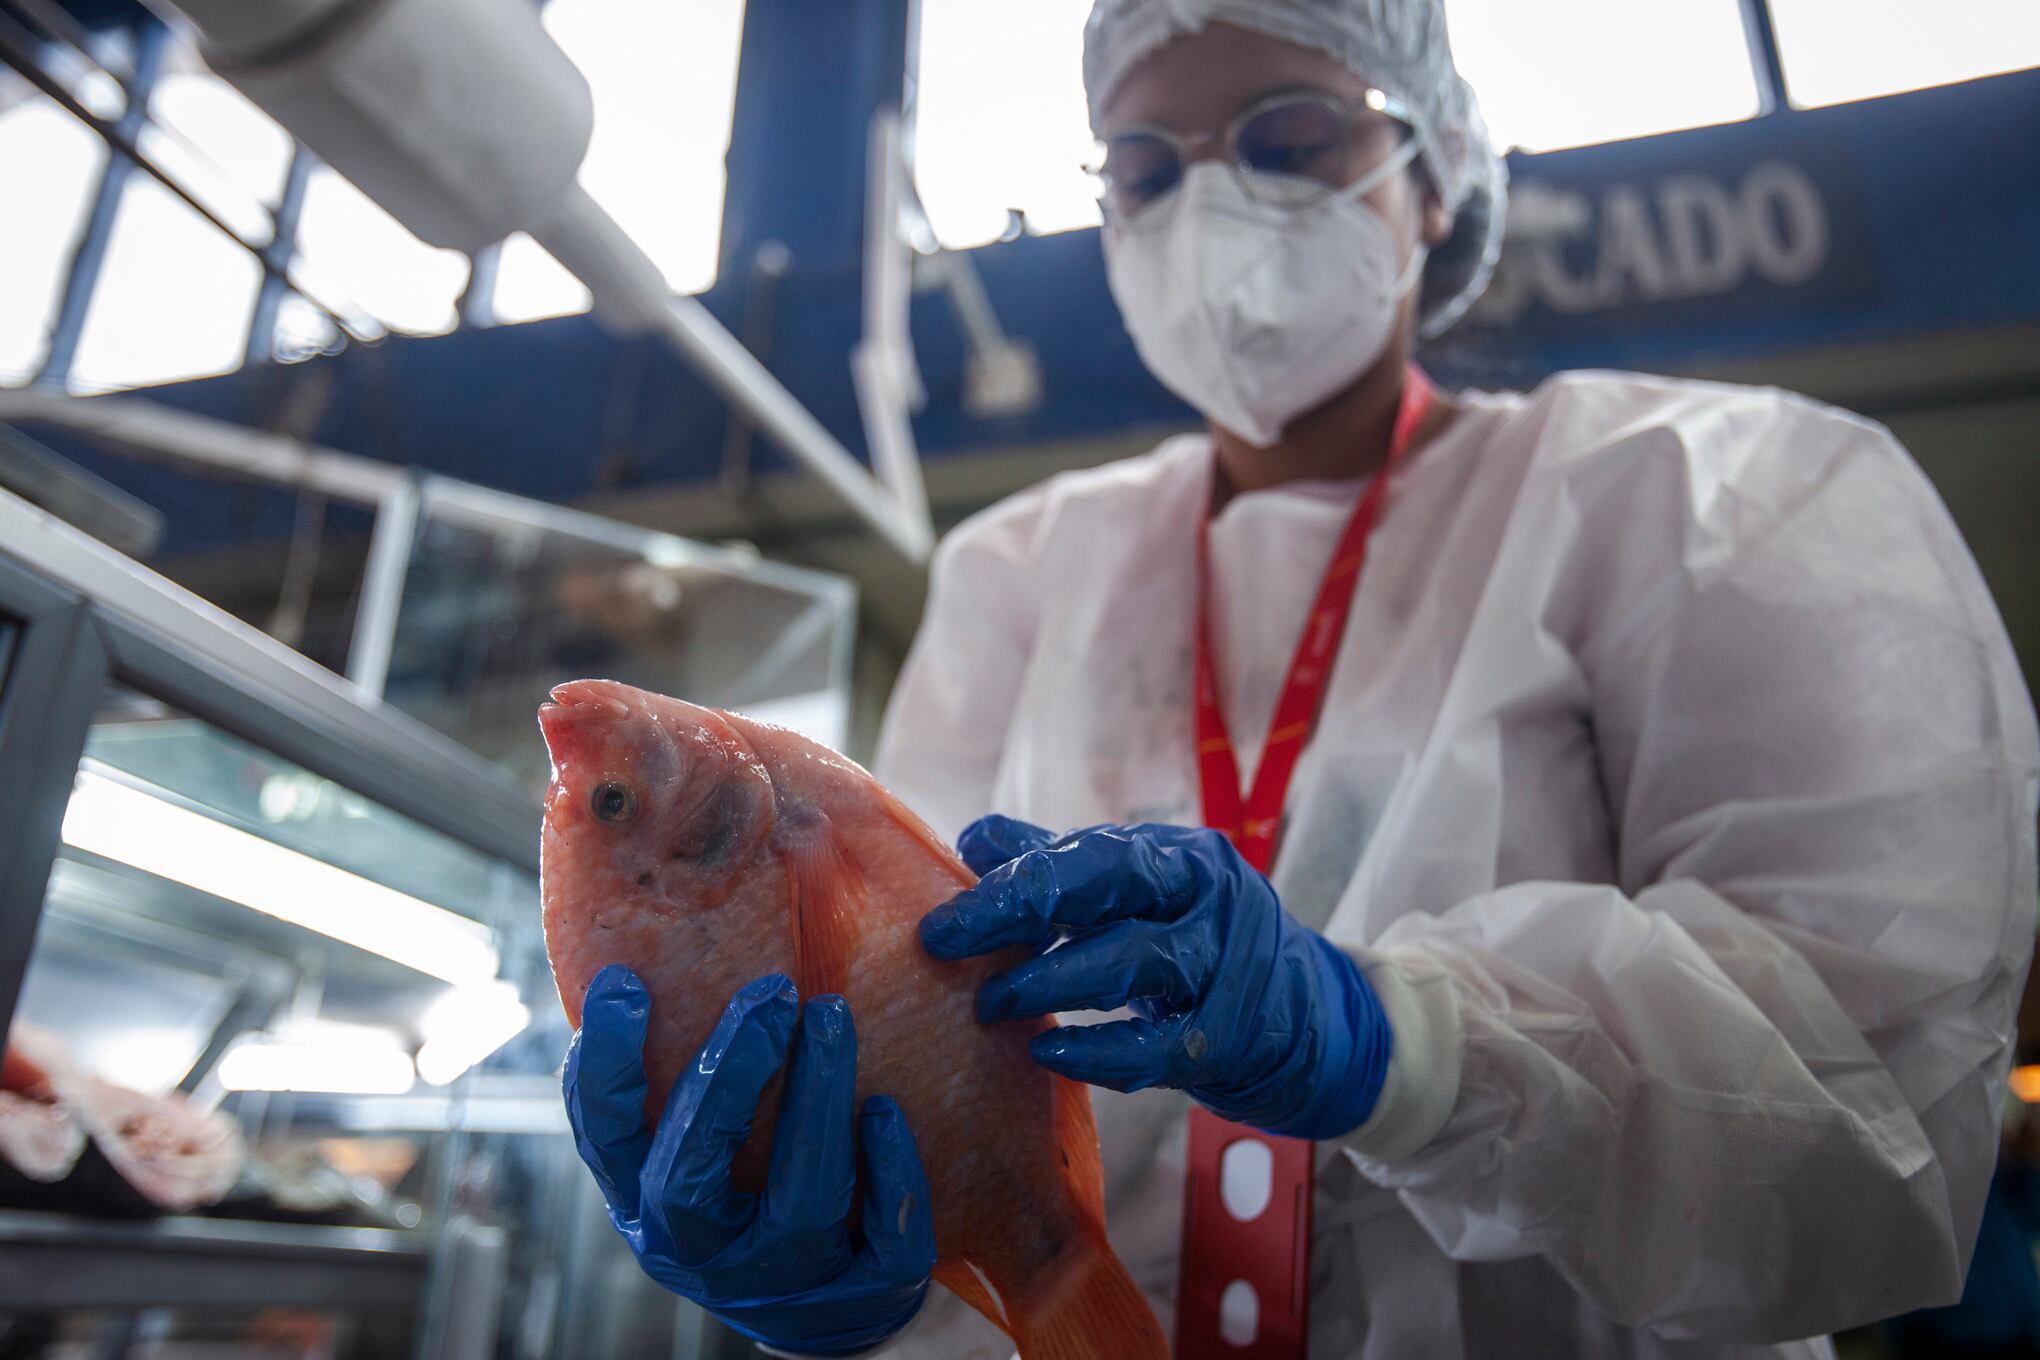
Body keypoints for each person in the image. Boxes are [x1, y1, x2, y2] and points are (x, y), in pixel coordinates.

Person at [561, 1, 2040, 1356]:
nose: (1210, 209)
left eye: (1287, 139)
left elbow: (1868, 1097)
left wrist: (1399, 1045)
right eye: (1146, 170)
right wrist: (845, 1251)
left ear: (1436, 172)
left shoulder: (1696, 496)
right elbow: (897, 1014)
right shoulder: (1022, 573)